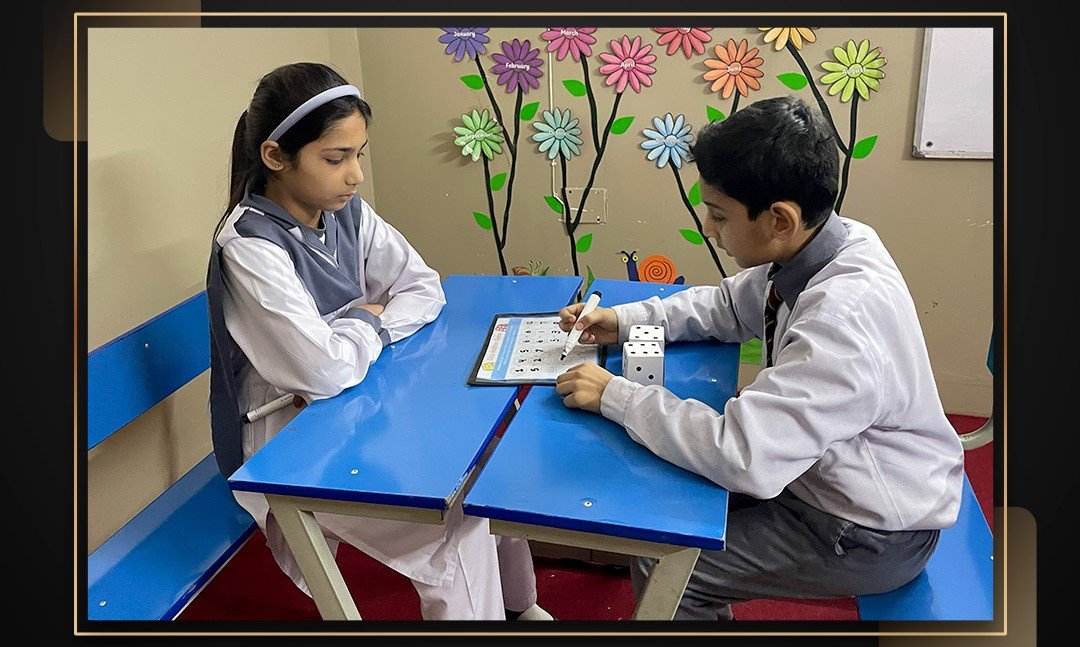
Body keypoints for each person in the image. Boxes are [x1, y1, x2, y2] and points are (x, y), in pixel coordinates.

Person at [554, 95, 964, 620]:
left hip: (869, 529)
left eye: (719, 215)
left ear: (779, 220)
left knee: (670, 570)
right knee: (664, 513)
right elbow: (728, 304)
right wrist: (627, 319)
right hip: (825, 477)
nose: (708, 227)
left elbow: (741, 455)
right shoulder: (832, 243)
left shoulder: (840, 324)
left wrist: (617, 395)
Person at [206, 62, 550, 621]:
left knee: (484, 468)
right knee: (450, 535)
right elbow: (318, 372)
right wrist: (366, 322)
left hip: (356, 398)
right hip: (288, 432)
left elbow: (422, 286)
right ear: (275, 156)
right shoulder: (249, 246)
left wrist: (366, 327)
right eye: (335, 158)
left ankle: (518, 608)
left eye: (359, 154)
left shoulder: (344, 213)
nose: (355, 175)